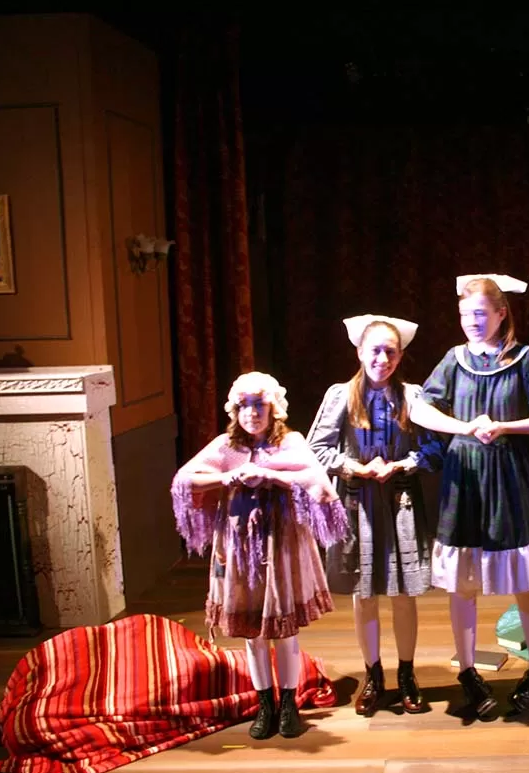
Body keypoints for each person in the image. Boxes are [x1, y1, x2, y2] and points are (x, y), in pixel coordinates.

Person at [410, 274, 529, 717]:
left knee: (525, 581)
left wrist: (505, 426)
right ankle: (468, 672)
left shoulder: (525, 359)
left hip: (511, 475)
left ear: (501, 314)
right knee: (463, 583)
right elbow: (420, 407)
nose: (472, 322)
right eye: (465, 314)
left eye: (480, 313)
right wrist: (465, 427)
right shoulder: (454, 359)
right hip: (464, 478)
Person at [170, 372, 348, 739]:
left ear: (273, 409)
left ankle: (288, 704)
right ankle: (265, 703)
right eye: (244, 406)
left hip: (280, 543)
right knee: (252, 632)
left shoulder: (290, 443)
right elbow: (185, 480)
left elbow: (315, 480)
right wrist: (226, 478)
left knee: (284, 630)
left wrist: (273, 476)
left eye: (259, 405)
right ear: (235, 411)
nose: (252, 413)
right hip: (239, 546)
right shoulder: (225, 446)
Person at [306, 315, 444, 717]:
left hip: (401, 502)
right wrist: (354, 466)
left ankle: (406, 674)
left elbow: (435, 449)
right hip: (358, 504)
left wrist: (403, 463)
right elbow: (317, 449)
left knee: (402, 593)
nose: (382, 359)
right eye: (375, 351)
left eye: (390, 352)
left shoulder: (412, 396)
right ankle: (373, 675)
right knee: (364, 593)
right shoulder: (341, 395)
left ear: (400, 356)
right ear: (360, 352)